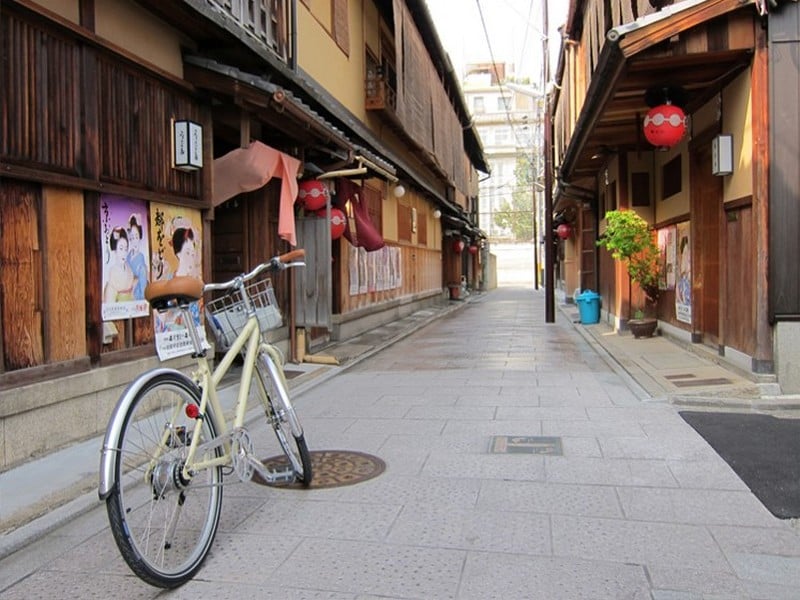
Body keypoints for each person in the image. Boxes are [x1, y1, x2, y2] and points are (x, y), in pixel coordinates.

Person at [103, 227, 135, 304]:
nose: (124, 253)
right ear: (115, 250)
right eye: (121, 249)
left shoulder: (130, 271)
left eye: (125, 249)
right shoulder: (112, 276)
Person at [126, 214, 148, 300]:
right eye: (132, 237)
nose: (134, 241)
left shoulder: (141, 258)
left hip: (137, 293)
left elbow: (142, 282)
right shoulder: (128, 256)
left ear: (140, 238)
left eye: (136, 237)